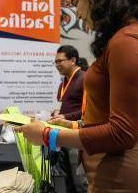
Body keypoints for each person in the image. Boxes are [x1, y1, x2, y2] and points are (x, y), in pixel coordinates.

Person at [16, 0, 138, 192]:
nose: (76, 12)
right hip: (116, 173)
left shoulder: (128, 40)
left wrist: (48, 135)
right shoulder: (132, 36)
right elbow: (116, 119)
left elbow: (123, 133)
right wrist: (77, 126)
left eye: (76, 1)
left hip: (125, 179)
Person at [52, 45, 88, 193]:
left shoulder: (84, 78)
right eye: (55, 62)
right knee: (66, 178)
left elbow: (88, 111)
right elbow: (70, 105)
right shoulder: (65, 81)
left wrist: (66, 116)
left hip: (77, 134)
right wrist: (59, 113)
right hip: (64, 133)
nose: (57, 64)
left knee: (80, 180)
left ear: (73, 60)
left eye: (61, 61)